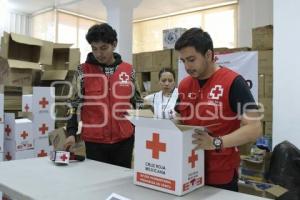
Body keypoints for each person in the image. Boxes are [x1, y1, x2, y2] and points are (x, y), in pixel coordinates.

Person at [174, 28, 262, 191]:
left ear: (208, 55)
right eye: (183, 61)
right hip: (187, 170)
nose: (187, 66)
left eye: (191, 59)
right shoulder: (185, 85)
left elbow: (255, 128)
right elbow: (178, 116)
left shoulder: (233, 82)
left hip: (220, 174)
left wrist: (215, 142)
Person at [64, 23, 143, 168]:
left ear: (114, 44)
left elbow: (137, 102)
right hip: (95, 142)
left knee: (122, 183)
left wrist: (139, 129)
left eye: (103, 48)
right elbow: (74, 105)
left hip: (124, 140)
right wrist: (71, 132)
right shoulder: (83, 71)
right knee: (98, 182)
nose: (99, 54)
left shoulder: (128, 70)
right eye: (94, 49)